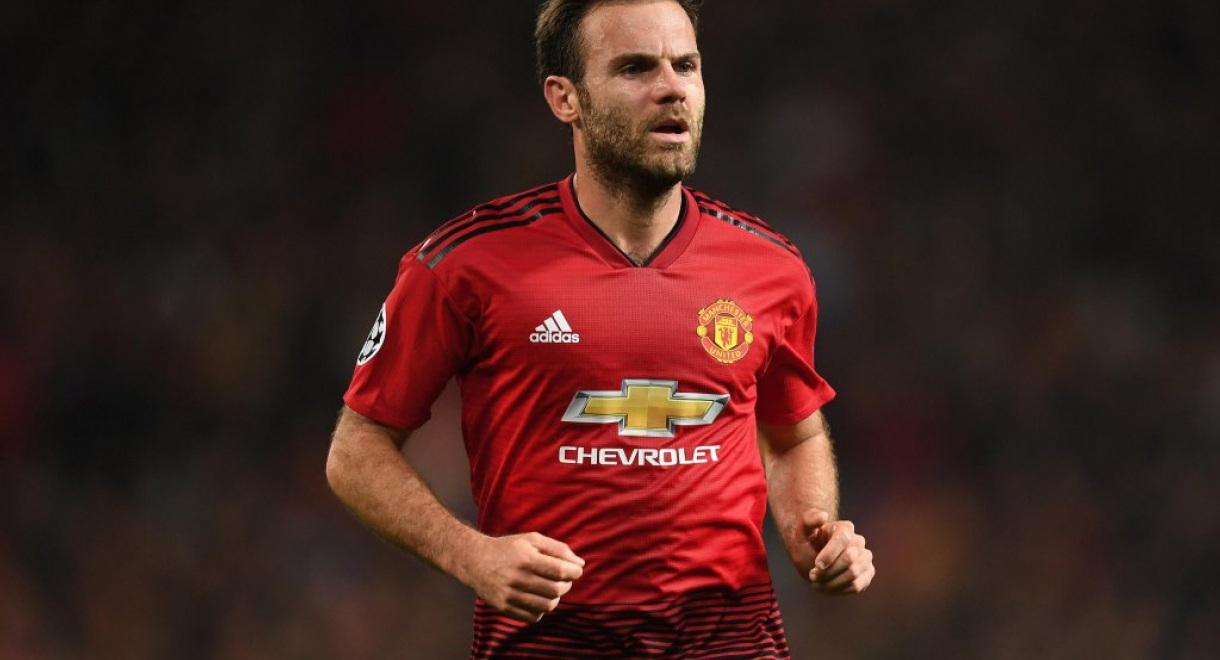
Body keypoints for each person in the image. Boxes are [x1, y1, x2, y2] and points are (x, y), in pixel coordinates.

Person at [326, 0, 876, 657]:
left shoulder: (771, 267)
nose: (671, 88)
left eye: (686, 66)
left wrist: (813, 531)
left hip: (730, 642)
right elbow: (356, 451)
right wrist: (471, 555)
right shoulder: (464, 264)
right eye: (636, 68)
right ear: (565, 99)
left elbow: (793, 435)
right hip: (552, 643)